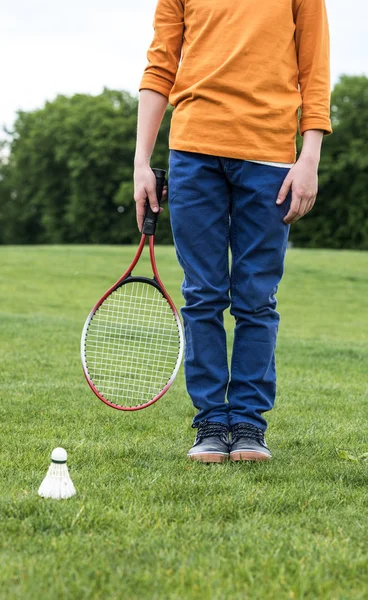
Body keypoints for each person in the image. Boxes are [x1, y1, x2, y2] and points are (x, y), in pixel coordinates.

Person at [134, 0, 332, 462]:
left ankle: (247, 423)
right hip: (193, 152)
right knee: (202, 293)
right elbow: (160, 67)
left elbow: (315, 68)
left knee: (256, 297)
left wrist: (311, 157)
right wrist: (142, 162)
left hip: (270, 155)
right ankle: (209, 421)